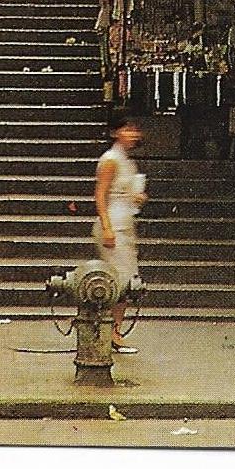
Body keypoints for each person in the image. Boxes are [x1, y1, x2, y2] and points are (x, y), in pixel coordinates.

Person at [93, 112, 147, 354]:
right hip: (113, 224)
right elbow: (100, 195)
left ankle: (114, 329)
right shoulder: (111, 159)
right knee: (121, 280)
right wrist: (106, 226)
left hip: (125, 221)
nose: (132, 134)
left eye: (134, 129)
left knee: (126, 279)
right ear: (115, 132)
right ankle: (111, 331)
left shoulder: (126, 160)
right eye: (126, 129)